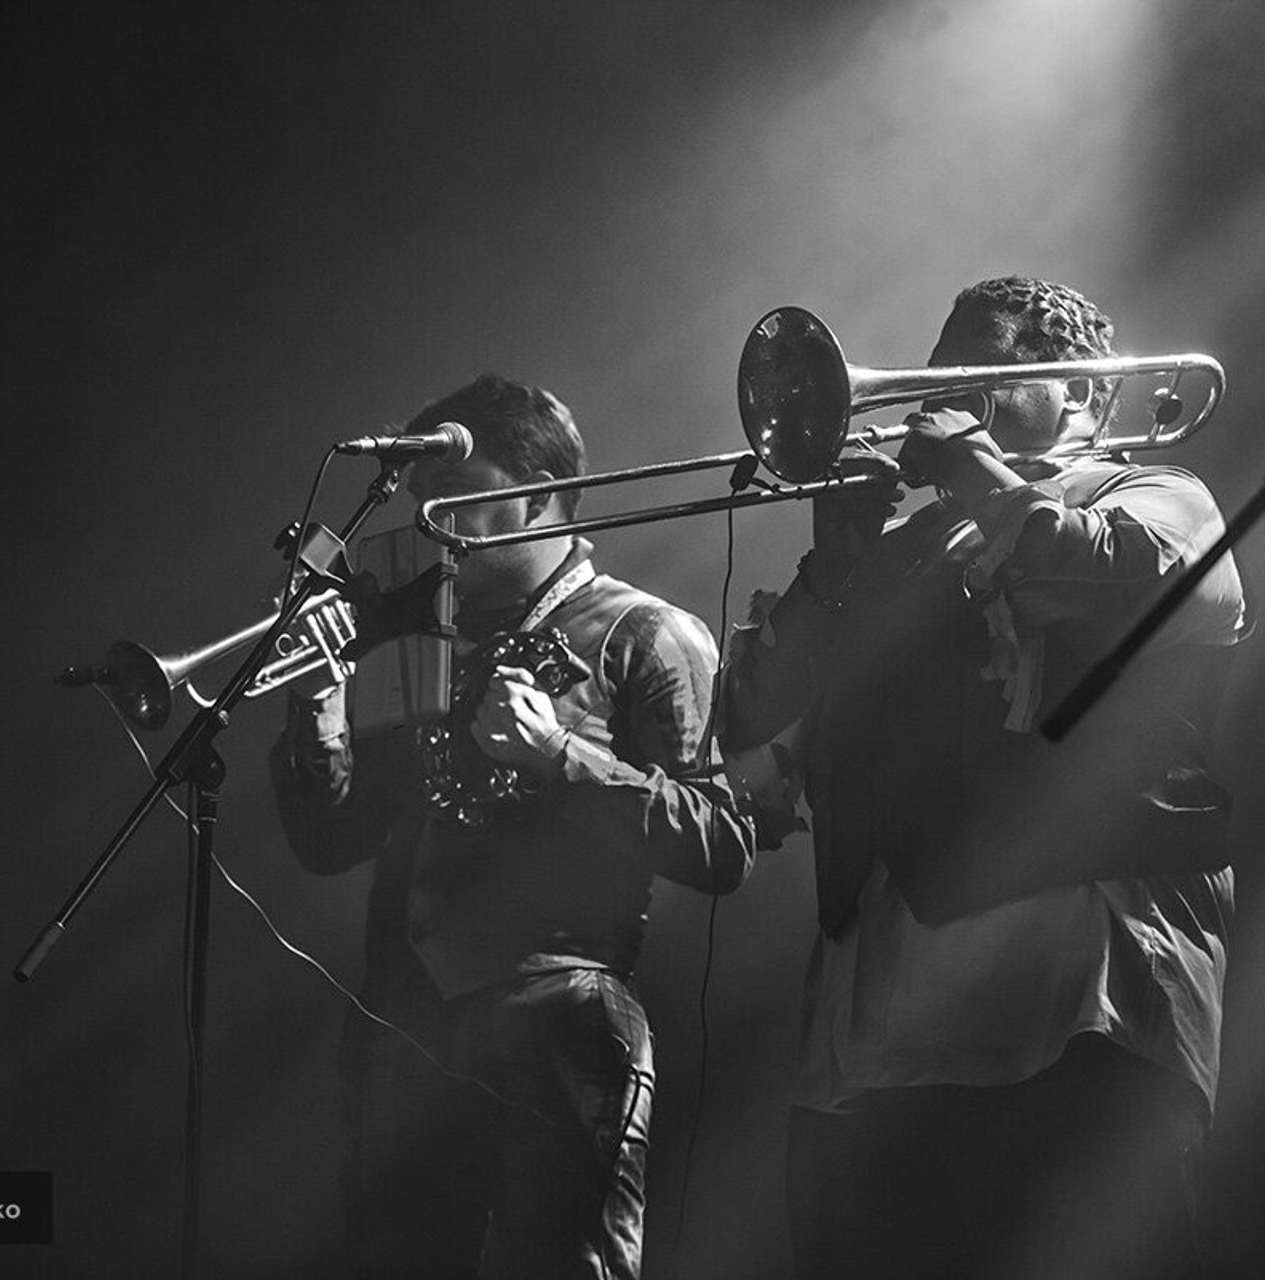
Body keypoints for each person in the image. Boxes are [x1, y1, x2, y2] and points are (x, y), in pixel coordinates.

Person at [720, 278, 1247, 1280]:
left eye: (987, 374)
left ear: (1085, 394)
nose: (940, 398)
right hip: (872, 1053)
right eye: (942, 373)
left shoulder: (1152, 491)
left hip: (1073, 1014)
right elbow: (747, 733)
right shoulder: (900, 551)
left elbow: (1107, 573)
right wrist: (828, 572)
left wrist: (969, 468)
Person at [272, 373, 755, 1280]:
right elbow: (329, 843)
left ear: (533, 494)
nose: (426, 524)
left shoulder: (646, 633)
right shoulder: (420, 634)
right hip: (402, 1028)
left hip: (558, 1021)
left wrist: (562, 754)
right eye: (419, 502)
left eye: (449, 499)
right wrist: (322, 705)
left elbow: (724, 843)